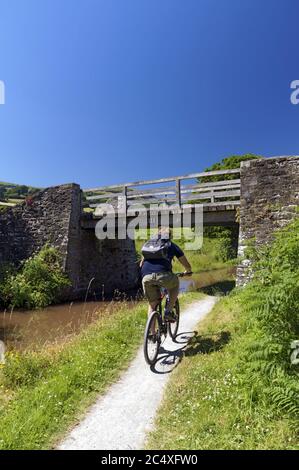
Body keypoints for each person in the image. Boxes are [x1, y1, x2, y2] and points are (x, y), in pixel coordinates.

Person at [140, 227, 192, 321]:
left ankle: (152, 334)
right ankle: (168, 311)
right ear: (170, 236)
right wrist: (188, 271)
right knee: (175, 283)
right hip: (164, 276)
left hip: (146, 277)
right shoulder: (171, 245)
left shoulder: (149, 245)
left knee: (152, 305)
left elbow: (141, 264)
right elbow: (186, 264)